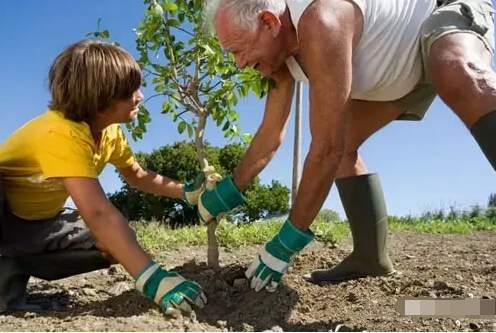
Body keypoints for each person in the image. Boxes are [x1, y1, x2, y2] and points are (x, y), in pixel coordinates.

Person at [197, 0, 496, 292]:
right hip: (402, 72)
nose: (239, 63)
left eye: (239, 49)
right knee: (342, 143)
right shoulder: (279, 58)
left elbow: (326, 147)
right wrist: (229, 190)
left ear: (268, 22)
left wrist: (287, 240)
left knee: (452, 66)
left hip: (440, 15)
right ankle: (370, 259)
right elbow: (271, 134)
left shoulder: (322, 18)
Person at [0, 40, 207, 313]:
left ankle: (14, 265)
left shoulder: (109, 132)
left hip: (40, 224)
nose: (141, 96)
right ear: (101, 100)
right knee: (112, 232)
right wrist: (152, 279)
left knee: (117, 244)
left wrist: (186, 192)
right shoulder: (59, 133)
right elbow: (97, 213)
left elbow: (137, 175)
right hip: (4, 218)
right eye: (131, 91)